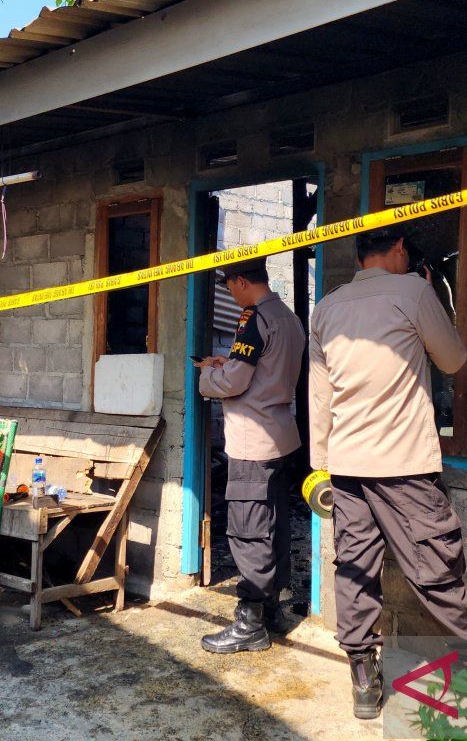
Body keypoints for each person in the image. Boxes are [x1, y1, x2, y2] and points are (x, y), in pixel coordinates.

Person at [308, 227, 467, 720]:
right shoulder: (414, 290)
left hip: (346, 467)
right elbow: (454, 359)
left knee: (355, 568)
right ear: (397, 251)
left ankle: (363, 678)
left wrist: (319, 467)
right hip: (403, 464)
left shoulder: (326, 308)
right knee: (436, 569)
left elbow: (320, 396)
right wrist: (434, 293)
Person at [195, 257, 306, 654]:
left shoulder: (253, 318)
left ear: (240, 281)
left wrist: (207, 374)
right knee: (273, 525)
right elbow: (261, 369)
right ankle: (272, 609)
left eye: (229, 287)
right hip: (281, 437)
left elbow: (236, 380)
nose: (231, 294)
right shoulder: (288, 318)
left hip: (252, 443)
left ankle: (249, 623)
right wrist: (231, 364)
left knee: (248, 529)